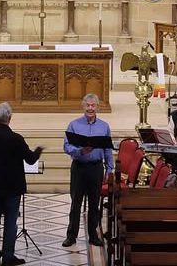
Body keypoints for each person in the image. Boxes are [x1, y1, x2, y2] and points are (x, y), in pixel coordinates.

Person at [0, 102, 43, 266]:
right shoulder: (16, 139)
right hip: (12, 189)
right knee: (10, 222)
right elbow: (30, 159)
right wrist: (38, 150)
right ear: (10, 118)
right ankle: (8, 257)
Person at [62, 93, 113, 247]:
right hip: (79, 167)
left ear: (97, 107)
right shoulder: (74, 125)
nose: (90, 108)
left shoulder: (104, 126)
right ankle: (71, 236)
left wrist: (109, 169)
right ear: (83, 106)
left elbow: (107, 150)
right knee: (76, 202)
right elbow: (66, 146)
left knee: (94, 204)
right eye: (88, 105)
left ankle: (93, 235)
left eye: (93, 105)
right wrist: (79, 151)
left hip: (96, 168)